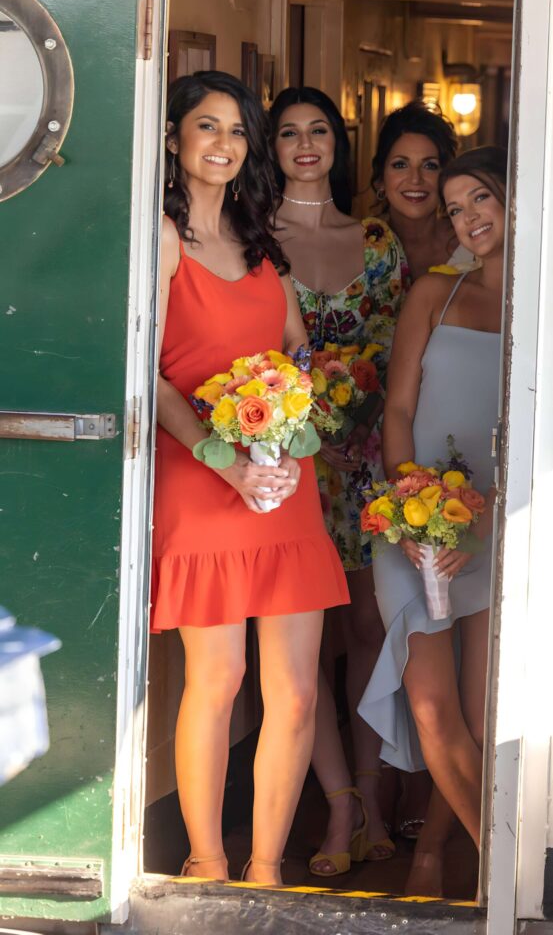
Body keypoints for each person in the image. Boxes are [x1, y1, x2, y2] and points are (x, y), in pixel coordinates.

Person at [152, 71, 349, 886]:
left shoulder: (261, 237)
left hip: (281, 481)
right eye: (206, 127)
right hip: (201, 477)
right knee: (221, 676)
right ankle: (206, 862)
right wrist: (223, 456)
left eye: (237, 130)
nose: (224, 144)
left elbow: (296, 350)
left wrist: (295, 409)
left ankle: (266, 868)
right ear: (173, 141)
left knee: (297, 692)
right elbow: (151, 377)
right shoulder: (161, 239)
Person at [359, 146, 506, 896]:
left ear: (512, 198)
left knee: (486, 719)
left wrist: (485, 521)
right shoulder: (433, 294)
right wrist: (412, 513)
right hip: (414, 525)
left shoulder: (546, 304)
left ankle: (470, 863)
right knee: (430, 705)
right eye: (455, 208)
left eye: (479, 199)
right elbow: (399, 410)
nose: (467, 218)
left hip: (499, 533)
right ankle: (507, 869)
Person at [270, 86, 406, 877]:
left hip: (360, 468)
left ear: (337, 142)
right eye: (288, 133)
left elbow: (396, 363)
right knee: (302, 646)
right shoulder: (252, 237)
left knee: (364, 633)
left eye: (318, 129)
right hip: (285, 467)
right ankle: (338, 810)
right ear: (272, 147)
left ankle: (374, 798)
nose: (305, 144)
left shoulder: (380, 241)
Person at [370, 100, 475, 281]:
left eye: (430, 165)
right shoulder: (358, 246)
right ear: (381, 180)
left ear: (446, 178)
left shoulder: (473, 244)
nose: (415, 179)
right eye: (400, 165)